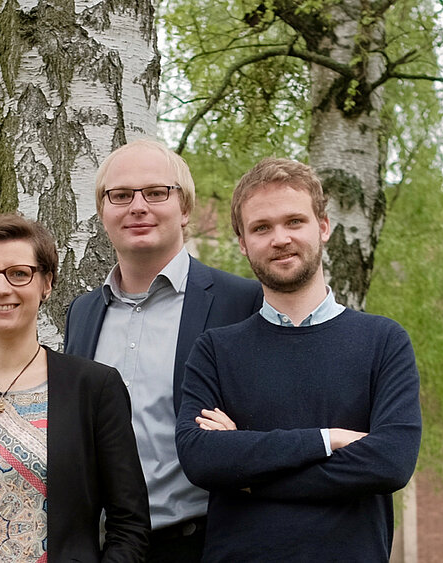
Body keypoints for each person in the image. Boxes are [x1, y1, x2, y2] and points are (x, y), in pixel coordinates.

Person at [175, 157, 422, 561]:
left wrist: (247, 470)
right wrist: (329, 440)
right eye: (261, 227)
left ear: (323, 227)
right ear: (242, 242)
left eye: (294, 222)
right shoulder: (215, 350)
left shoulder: (384, 341)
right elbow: (201, 459)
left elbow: (390, 463)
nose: (280, 238)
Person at [63, 139, 261, 561]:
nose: (138, 206)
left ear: (185, 208)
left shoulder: (241, 302)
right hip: (103, 548)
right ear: (103, 213)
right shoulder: (82, 313)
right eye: (120, 195)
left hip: (201, 543)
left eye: (156, 192)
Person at [0, 214, 151, 562]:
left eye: (19, 273)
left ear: (47, 283)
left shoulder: (94, 388)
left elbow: (129, 526)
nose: (1, 288)